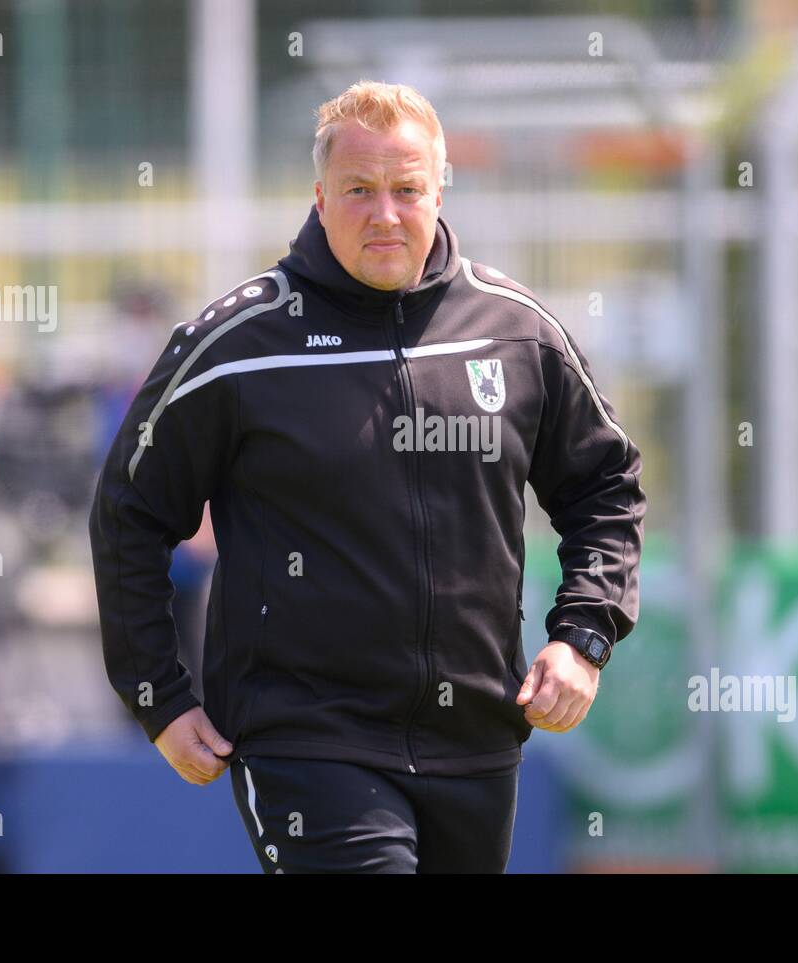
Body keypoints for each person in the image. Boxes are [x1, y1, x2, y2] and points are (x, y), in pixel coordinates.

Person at [88, 80, 646, 873]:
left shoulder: (518, 333)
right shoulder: (238, 346)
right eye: (359, 190)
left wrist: (583, 636)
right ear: (320, 197)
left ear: (440, 189)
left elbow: (607, 484)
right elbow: (127, 514)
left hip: (476, 741)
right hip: (307, 742)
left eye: (406, 189)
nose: (385, 213)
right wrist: (158, 695)